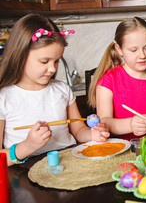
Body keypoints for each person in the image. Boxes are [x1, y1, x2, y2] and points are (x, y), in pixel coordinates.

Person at [0, 14, 110, 166]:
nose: (52, 69)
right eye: (44, 61)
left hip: (69, 162)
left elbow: (78, 130)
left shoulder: (62, 90)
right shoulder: (4, 97)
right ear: (21, 55)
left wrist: (92, 134)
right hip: (25, 172)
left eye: (57, 61)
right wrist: (28, 146)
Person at [88, 17, 146, 140]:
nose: (142, 55)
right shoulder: (108, 80)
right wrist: (130, 125)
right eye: (133, 50)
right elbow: (104, 122)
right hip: (118, 149)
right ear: (119, 50)